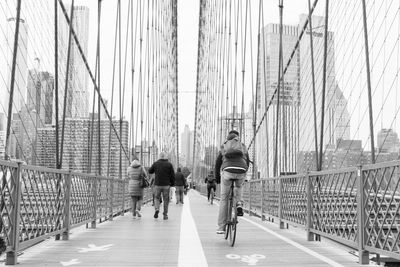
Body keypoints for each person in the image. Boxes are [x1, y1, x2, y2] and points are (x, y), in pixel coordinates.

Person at [215, 130, 250, 234]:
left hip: (228, 171)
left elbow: (217, 163)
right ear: (237, 138)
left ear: (228, 138)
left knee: (224, 199)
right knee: (239, 186)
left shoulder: (224, 146)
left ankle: (221, 227)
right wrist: (244, 173)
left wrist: (217, 177)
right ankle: (239, 203)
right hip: (241, 170)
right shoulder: (242, 146)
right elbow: (247, 162)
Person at [148, 151, 175, 220]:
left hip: (157, 184)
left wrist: (154, 167)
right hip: (166, 185)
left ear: (159, 157)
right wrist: (172, 184)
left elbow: (150, 171)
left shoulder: (156, 163)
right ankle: (165, 215)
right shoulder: (169, 164)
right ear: (165, 157)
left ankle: (157, 209)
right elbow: (172, 175)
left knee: (156, 198)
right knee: (166, 200)